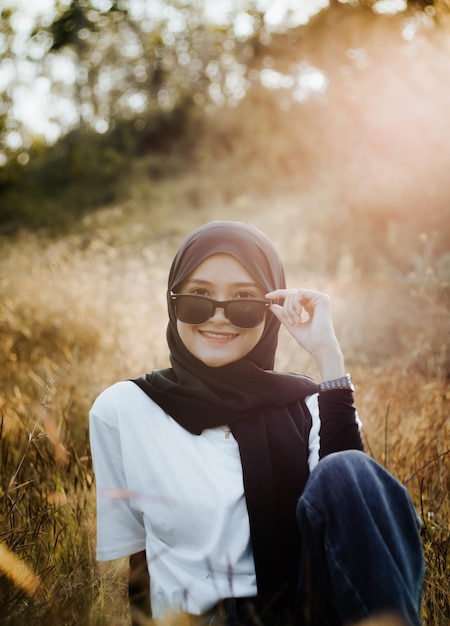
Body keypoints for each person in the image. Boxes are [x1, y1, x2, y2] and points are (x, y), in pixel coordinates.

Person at [89, 220, 424, 626]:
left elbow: (355, 525)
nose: (217, 318)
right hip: (199, 619)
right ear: (172, 300)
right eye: (198, 297)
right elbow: (138, 560)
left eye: (244, 300)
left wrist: (327, 355)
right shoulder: (123, 410)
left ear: (270, 310)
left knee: (349, 471)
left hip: (303, 614)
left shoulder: (307, 405)